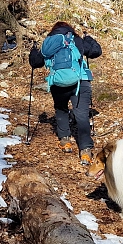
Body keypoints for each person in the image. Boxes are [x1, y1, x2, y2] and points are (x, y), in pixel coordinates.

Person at [28, 21, 102, 164]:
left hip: (58, 83)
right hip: (81, 81)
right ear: (70, 29)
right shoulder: (76, 40)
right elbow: (96, 51)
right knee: (81, 114)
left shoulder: (48, 43)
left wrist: (33, 51)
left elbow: (35, 63)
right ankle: (86, 151)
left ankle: (65, 141)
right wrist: (89, 39)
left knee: (61, 109)